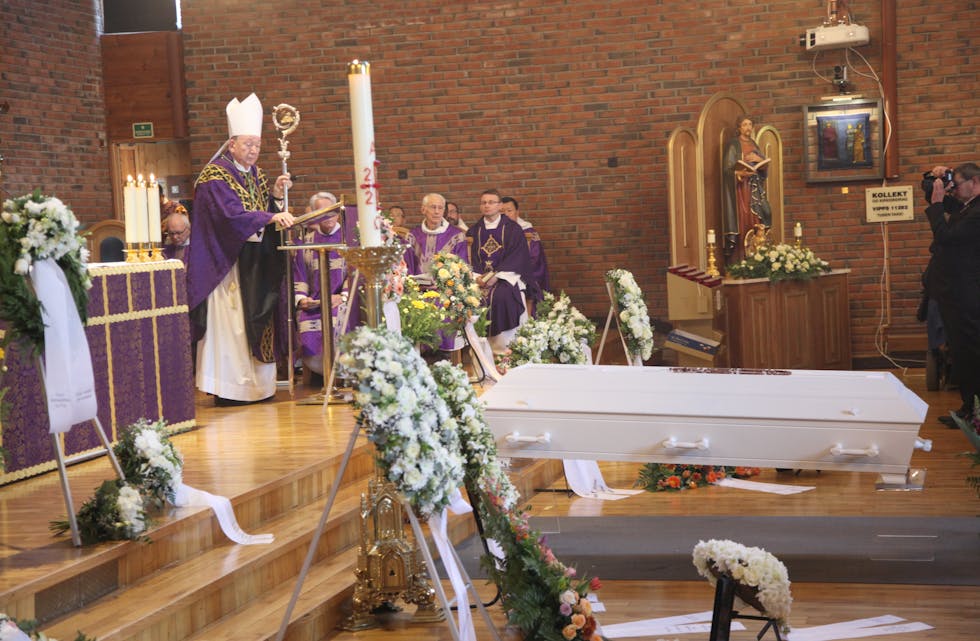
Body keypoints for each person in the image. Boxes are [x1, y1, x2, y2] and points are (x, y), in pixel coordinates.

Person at [185, 93, 296, 405]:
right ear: (231, 144)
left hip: (255, 263)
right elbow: (228, 217)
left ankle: (260, 388)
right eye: (248, 144)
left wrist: (276, 197)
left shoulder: (258, 175)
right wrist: (269, 216)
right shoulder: (214, 176)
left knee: (254, 324)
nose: (253, 150)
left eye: (257, 145)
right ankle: (230, 389)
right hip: (226, 264)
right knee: (231, 327)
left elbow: (261, 210)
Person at [925, 162, 980, 426]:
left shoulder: (977, 213)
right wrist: (933, 178)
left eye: (956, 185)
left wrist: (937, 205)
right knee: (962, 353)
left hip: (966, 294)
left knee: (970, 353)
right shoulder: (968, 206)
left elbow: (945, 236)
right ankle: (969, 408)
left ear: (975, 182)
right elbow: (933, 196)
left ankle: (974, 412)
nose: (953, 191)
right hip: (955, 293)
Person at [466, 188, 533, 353]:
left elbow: (518, 257)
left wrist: (497, 276)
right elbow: (469, 258)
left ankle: (505, 349)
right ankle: (480, 349)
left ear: (500, 206)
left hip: (506, 277)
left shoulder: (513, 229)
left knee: (502, 296)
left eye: (491, 202)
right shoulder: (474, 231)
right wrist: (478, 277)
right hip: (480, 279)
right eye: (483, 202)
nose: (487, 205)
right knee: (470, 297)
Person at [293, 191, 347, 376]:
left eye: (332, 212)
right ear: (314, 215)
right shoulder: (306, 242)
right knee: (305, 321)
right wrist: (301, 299)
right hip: (314, 302)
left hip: (341, 301)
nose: (328, 217)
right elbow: (299, 273)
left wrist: (343, 296)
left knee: (336, 319)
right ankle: (320, 373)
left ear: (338, 213)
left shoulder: (348, 238)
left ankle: (340, 372)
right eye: (322, 213)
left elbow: (355, 273)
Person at [722, 114, 772, 262]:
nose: (748, 127)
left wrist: (759, 160)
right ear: (739, 128)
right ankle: (741, 258)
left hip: (755, 187)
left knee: (762, 215)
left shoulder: (754, 144)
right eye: (744, 125)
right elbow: (726, 169)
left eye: (750, 124)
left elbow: (763, 168)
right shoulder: (733, 144)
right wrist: (739, 173)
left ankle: (756, 256)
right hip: (741, 190)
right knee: (744, 220)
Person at [500, 196, 550, 315]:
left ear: (517, 212)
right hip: (500, 276)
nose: (505, 214)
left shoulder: (528, 232)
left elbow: (534, 257)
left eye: (509, 210)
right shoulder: (496, 232)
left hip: (522, 274)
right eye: (502, 212)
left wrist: (513, 271)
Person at [407, 193, 468, 275]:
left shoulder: (457, 236)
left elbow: (462, 267)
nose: (437, 212)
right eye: (433, 207)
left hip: (447, 283)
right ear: (423, 210)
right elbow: (407, 266)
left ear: (444, 211)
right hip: (417, 282)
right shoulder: (412, 236)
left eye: (440, 208)